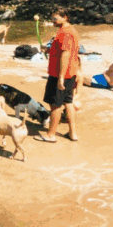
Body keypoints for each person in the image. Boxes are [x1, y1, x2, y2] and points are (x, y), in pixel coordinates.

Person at [37, 9, 81, 143]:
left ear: (65, 17)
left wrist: (61, 77)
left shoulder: (65, 32)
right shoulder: (70, 30)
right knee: (68, 102)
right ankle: (73, 133)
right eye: (52, 18)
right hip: (70, 72)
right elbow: (64, 50)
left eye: (55, 18)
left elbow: (66, 54)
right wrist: (49, 50)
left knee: (55, 105)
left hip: (60, 74)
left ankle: (51, 134)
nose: (52, 21)